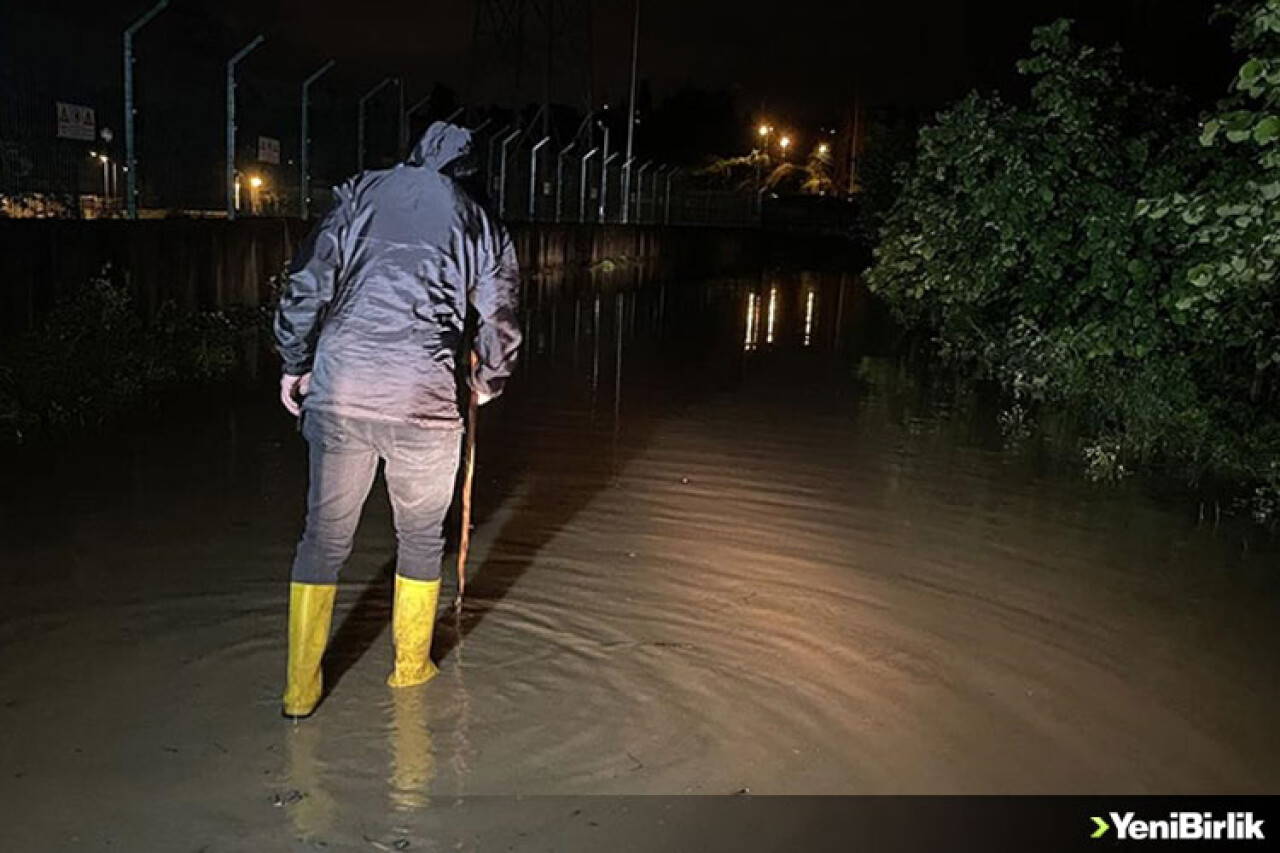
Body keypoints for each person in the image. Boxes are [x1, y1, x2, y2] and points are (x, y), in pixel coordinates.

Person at [274, 121, 521, 720]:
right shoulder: (477, 221)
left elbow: (308, 280)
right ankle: (410, 670)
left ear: (413, 156)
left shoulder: (359, 193)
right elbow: (502, 315)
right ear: (467, 171)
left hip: (342, 390)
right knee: (419, 538)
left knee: (323, 539)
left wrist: (294, 361)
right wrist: (487, 383)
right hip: (426, 404)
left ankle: (300, 691)